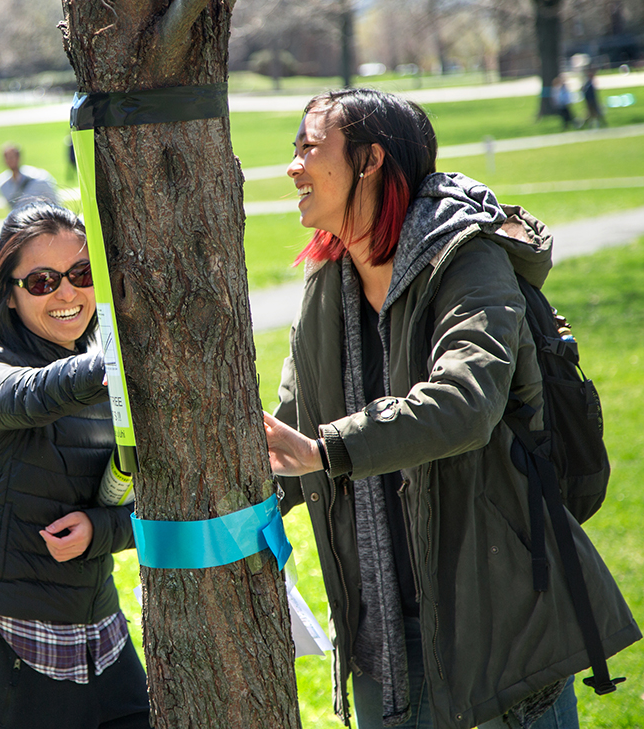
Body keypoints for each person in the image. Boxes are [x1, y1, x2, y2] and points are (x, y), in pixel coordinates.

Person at [263, 88, 639, 729]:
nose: (293, 166)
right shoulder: (328, 280)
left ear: (370, 159)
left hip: (494, 619)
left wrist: (329, 452)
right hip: (381, 634)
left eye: (309, 147)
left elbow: (468, 401)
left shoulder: (468, 259)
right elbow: (293, 426)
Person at [0, 203, 150, 729]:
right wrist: (109, 357)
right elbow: (29, 394)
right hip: (16, 636)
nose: (67, 293)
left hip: (103, 634)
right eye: (42, 281)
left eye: (81, 274)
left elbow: (145, 503)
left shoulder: (112, 383)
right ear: (10, 295)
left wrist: (100, 527)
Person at [0, 142, 59, 209]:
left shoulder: (38, 177)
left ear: (19, 157)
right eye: (7, 157)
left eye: (12, 157)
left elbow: (54, 201)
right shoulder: (1, 184)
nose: (10, 160)